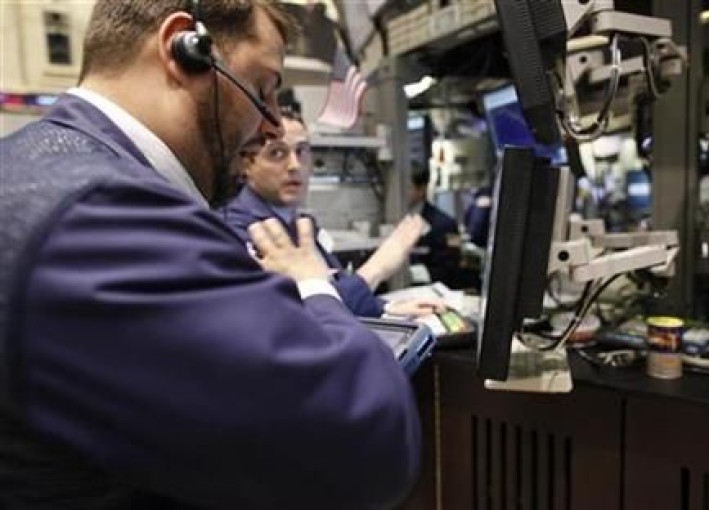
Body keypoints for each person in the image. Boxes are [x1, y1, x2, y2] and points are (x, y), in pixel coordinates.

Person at [0, 2, 420, 509]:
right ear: (184, 48)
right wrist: (318, 292)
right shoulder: (108, 217)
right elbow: (368, 441)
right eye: (263, 88)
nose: (269, 125)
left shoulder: (33, 164)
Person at [221, 109, 445, 318]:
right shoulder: (235, 231)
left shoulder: (301, 225)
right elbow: (301, 317)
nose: (295, 165)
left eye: (302, 151)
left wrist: (388, 309)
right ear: (247, 164)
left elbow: (335, 290)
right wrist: (376, 269)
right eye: (277, 153)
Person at [408, 164, 462, 287]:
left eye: (407, 187)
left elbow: (452, 267)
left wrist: (413, 273)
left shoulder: (447, 224)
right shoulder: (392, 220)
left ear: (421, 189)